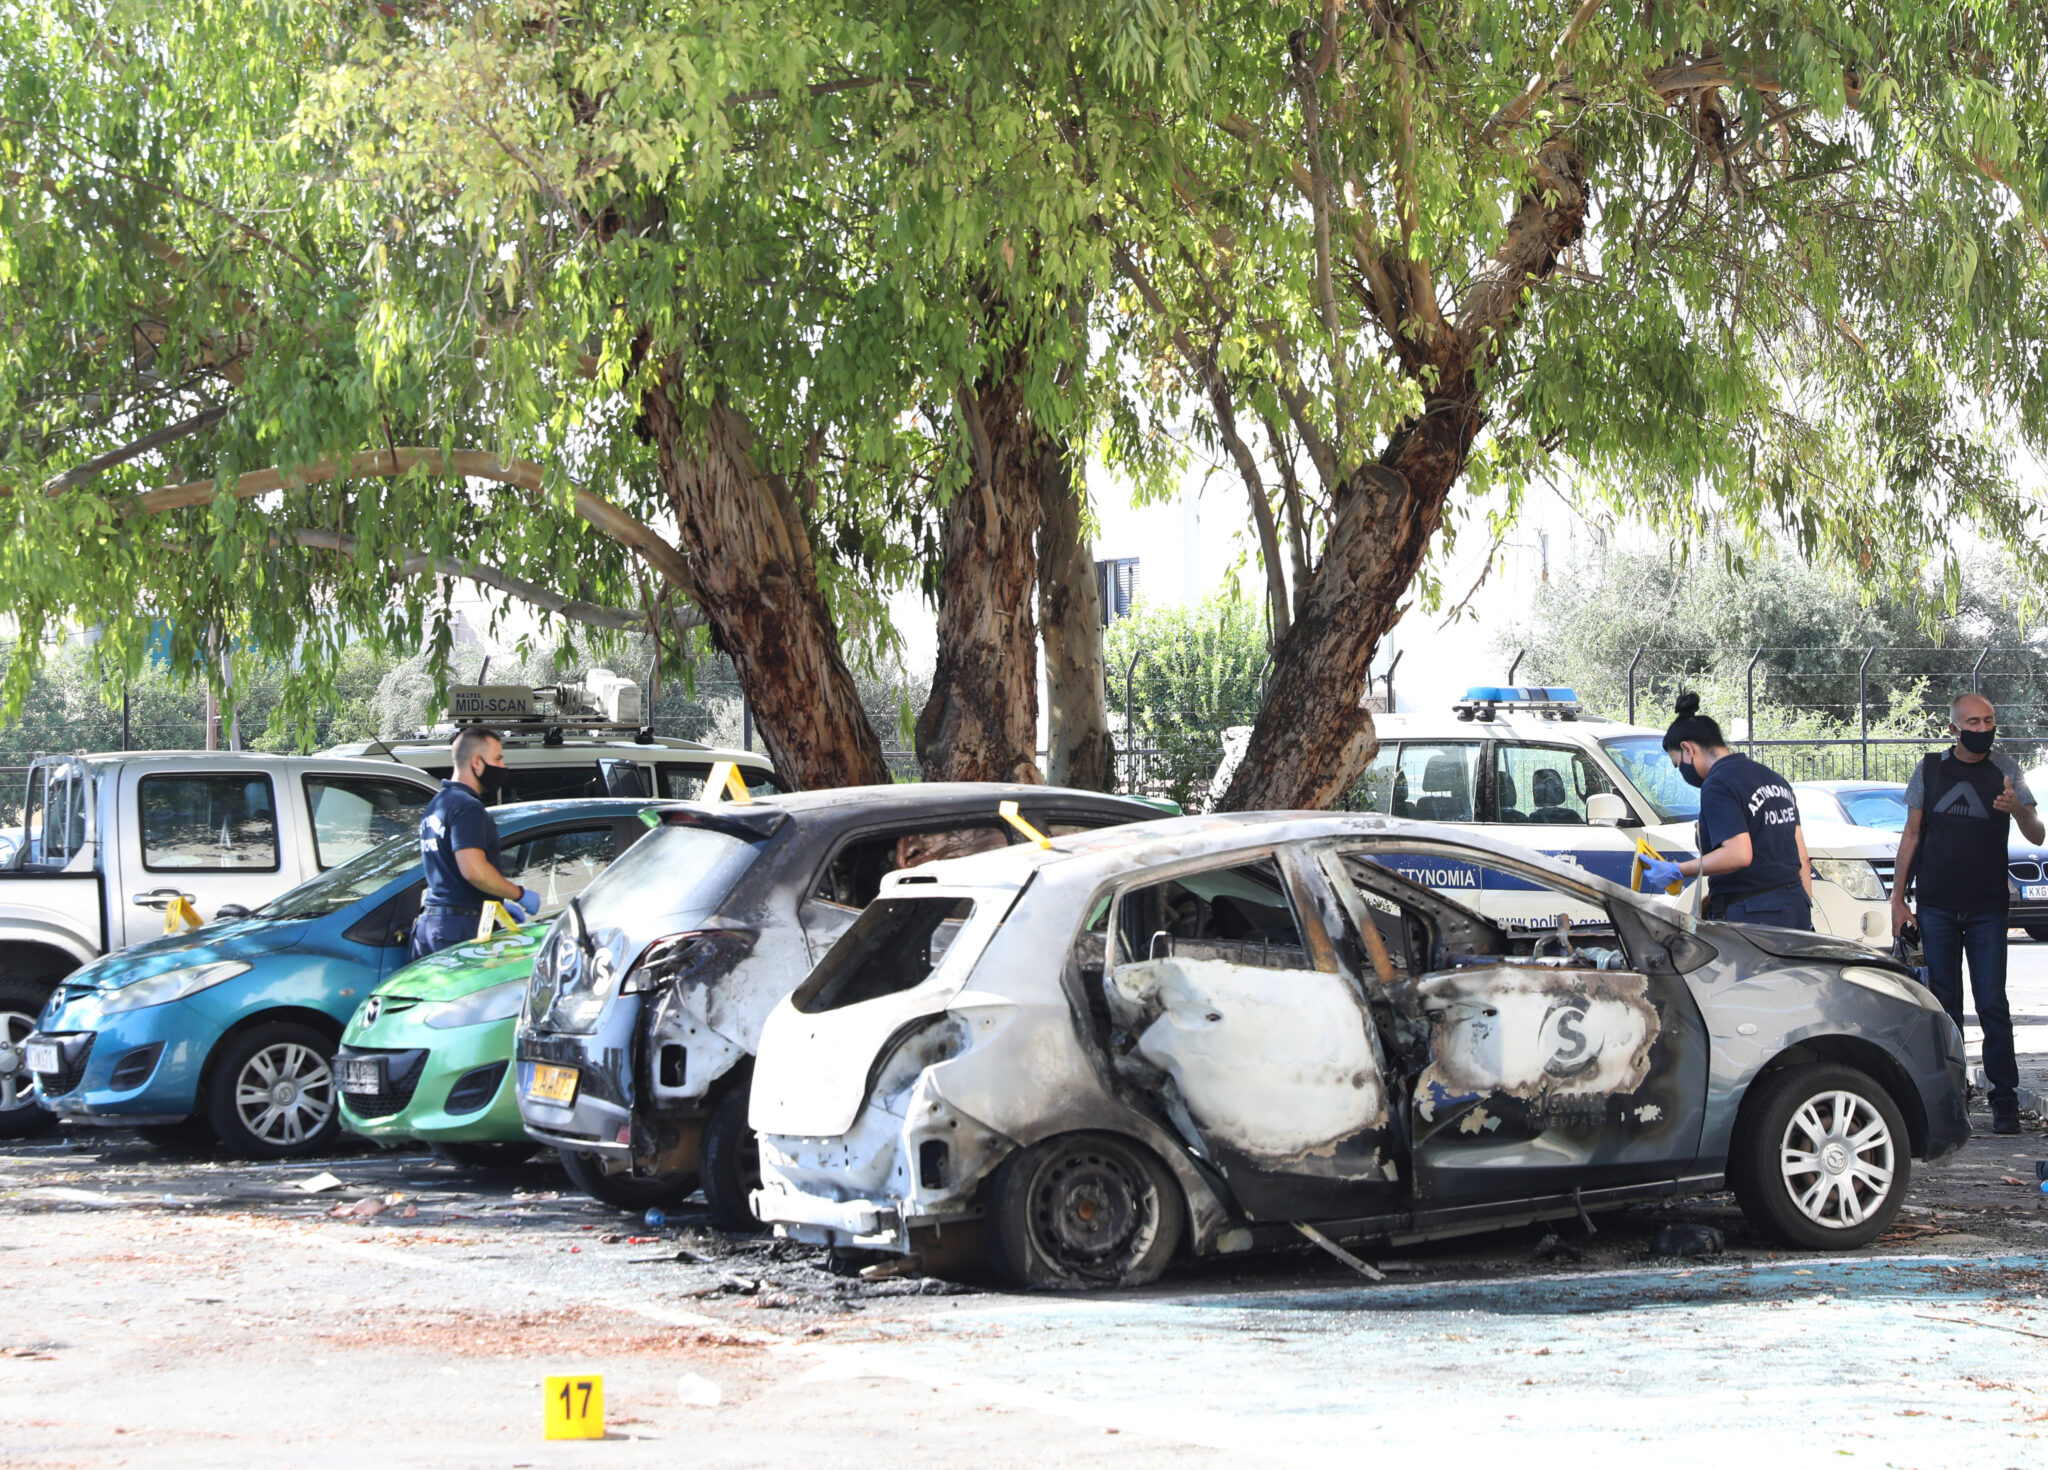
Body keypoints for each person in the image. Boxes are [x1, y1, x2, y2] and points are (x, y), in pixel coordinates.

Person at [1890, 692, 2043, 1135]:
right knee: (1945, 1006)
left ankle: (2004, 1101)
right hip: (1936, 906)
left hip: (1988, 909)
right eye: (1972, 722)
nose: (1982, 729)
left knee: (1993, 1003)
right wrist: (1899, 899)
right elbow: (1912, 835)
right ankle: (1951, 1100)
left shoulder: (2007, 770)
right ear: (1954, 728)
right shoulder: (1931, 770)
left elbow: (2036, 834)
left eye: (1988, 720)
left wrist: (2017, 810)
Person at [1639, 694, 1813, 930]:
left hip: (1752, 915)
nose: (1682, 771)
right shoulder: (1773, 778)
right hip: (1794, 907)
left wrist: (1677, 870)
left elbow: (1738, 855)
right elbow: (1801, 856)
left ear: (1687, 749)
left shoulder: (1718, 784)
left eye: (1678, 764)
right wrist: (1804, 913)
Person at [410, 726, 541, 960]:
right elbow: (474, 871)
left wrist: (493, 902)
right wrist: (518, 894)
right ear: (477, 763)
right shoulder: (467, 807)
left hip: (433, 925)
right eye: (498, 759)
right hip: (459, 930)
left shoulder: (439, 803)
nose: (503, 767)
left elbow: (449, 874)